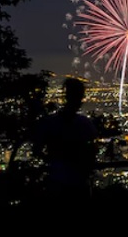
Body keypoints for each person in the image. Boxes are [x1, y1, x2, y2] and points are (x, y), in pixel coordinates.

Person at [32, 77, 99, 208]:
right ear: (81, 98)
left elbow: (36, 149)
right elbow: (92, 151)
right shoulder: (85, 124)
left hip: (57, 180)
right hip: (79, 183)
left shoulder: (50, 122)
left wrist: (52, 160)